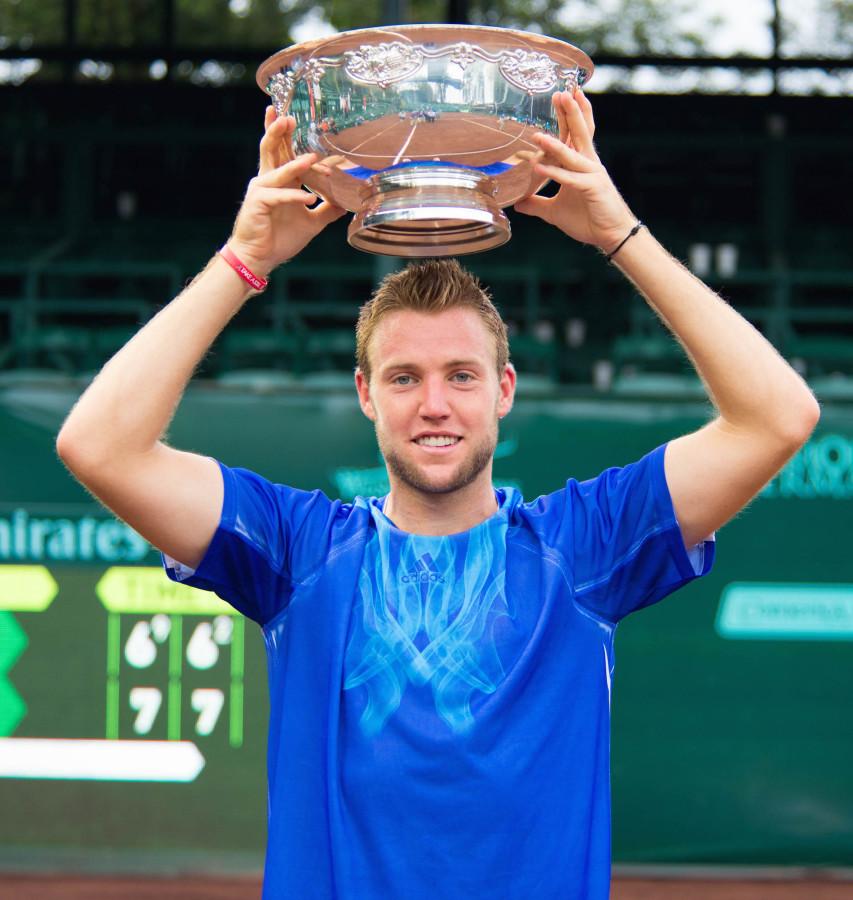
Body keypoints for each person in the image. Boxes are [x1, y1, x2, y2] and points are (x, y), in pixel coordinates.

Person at [56, 92, 819, 899]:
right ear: (364, 393)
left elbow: (777, 416)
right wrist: (243, 260)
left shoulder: (580, 549)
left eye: (460, 376)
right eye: (404, 378)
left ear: (504, 390)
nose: (433, 404)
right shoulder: (296, 551)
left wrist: (618, 236)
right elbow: (98, 446)